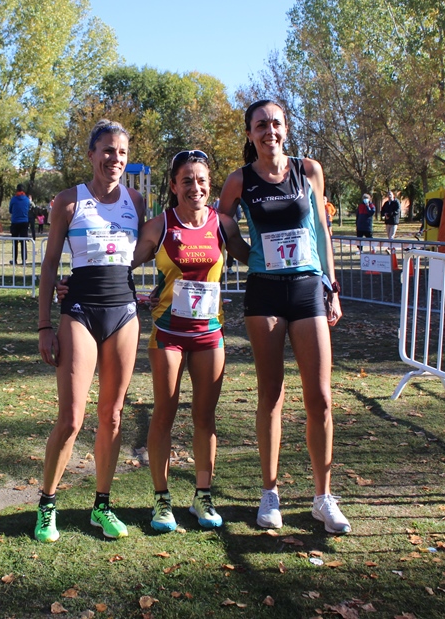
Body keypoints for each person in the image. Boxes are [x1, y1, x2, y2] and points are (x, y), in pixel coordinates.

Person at [217, 100, 350, 535]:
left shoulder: (309, 170)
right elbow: (223, 226)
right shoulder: (239, 180)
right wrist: (245, 252)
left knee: (321, 398)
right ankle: (269, 493)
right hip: (265, 291)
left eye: (275, 123)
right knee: (271, 394)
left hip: (309, 287)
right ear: (250, 133)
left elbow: (322, 232)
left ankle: (323, 497)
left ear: (286, 129)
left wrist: (331, 285)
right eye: (260, 125)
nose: (268, 131)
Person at [34, 119, 145, 543]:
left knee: (112, 416)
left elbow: (152, 250)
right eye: (107, 151)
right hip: (79, 311)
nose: (114, 158)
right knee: (72, 418)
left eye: (121, 152)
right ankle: (47, 503)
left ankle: (102, 505)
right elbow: (49, 266)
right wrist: (45, 325)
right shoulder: (68, 201)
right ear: (91, 154)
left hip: (124, 313)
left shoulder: (135, 200)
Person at [138, 150, 249, 532]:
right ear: (173, 185)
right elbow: (121, 263)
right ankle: (162, 500)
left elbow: (254, 258)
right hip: (168, 333)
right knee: (164, 414)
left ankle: (203, 496)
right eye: (186, 180)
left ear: (210, 184)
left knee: (205, 417)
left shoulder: (223, 224)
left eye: (201, 180)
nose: (195, 187)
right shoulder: (159, 225)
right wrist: (77, 282)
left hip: (208, 334)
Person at [9, 183, 31, 265]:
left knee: (14, 242)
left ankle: (14, 259)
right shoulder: (26, 199)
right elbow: (28, 208)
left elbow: (10, 210)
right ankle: (24, 260)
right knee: (23, 241)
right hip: (24, 222)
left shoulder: (13, 199)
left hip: (15, 222)